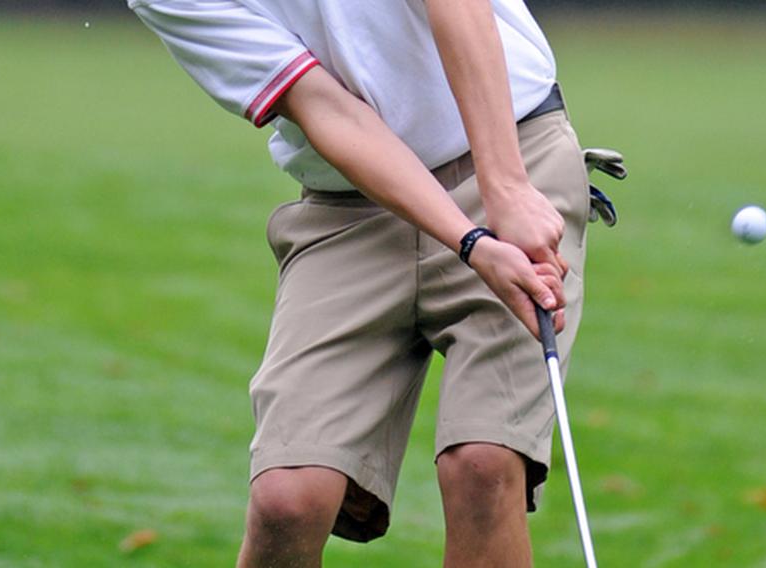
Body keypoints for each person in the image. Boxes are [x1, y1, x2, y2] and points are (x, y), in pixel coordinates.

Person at [129, 0, 591, 566]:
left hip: (511, 150)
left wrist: (506, 188)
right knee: (287, 500)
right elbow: (325, 107)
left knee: (484, 467)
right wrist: (470, 243)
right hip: (347, 203)